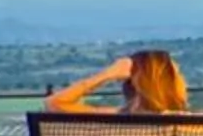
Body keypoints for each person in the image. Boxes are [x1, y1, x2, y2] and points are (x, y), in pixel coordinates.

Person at [45, 48, 189, 115]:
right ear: (165, 85)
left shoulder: (115, 119)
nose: (184, 81)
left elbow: (54, 103)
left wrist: (106, 75)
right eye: (178, 74)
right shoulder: (193, 124)